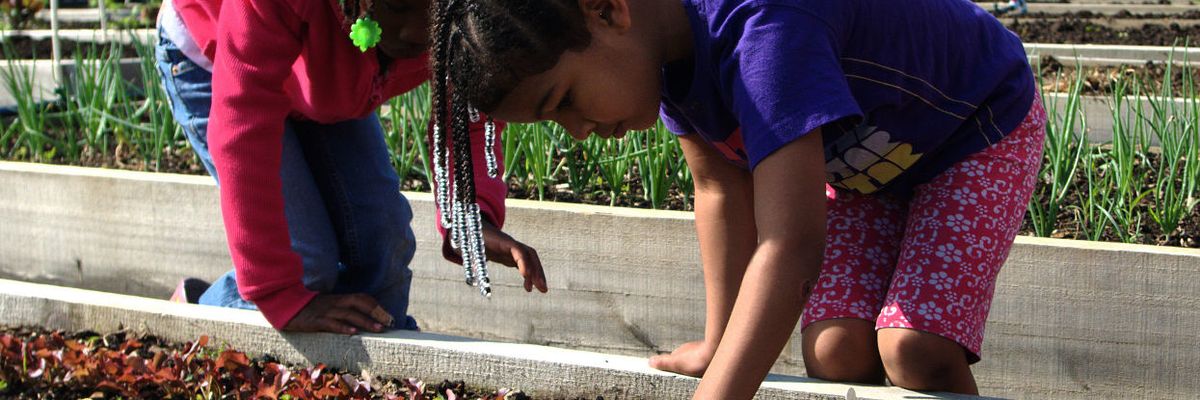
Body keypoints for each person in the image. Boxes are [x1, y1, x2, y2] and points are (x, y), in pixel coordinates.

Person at [426, 0, 1044, 397]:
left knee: (917, 350)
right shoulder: (662, 53)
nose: (579, 130)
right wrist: (717, 344)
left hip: (976, 127)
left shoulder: (764, 28)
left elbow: (791, 246)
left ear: (607, 11)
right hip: (870, 167)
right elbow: (718, 187)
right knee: (835, 353)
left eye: (563, 101)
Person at [157, 0, 548, 335]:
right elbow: (243, 124)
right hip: (216, 58)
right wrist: (278, 295)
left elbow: (465, 115)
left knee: (382, 240)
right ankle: (194, 311)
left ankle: (372, 366)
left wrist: (469, 215)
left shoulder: (451, 19)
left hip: (328, 73)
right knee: (307, 266)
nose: (419, 32)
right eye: (398, 5)